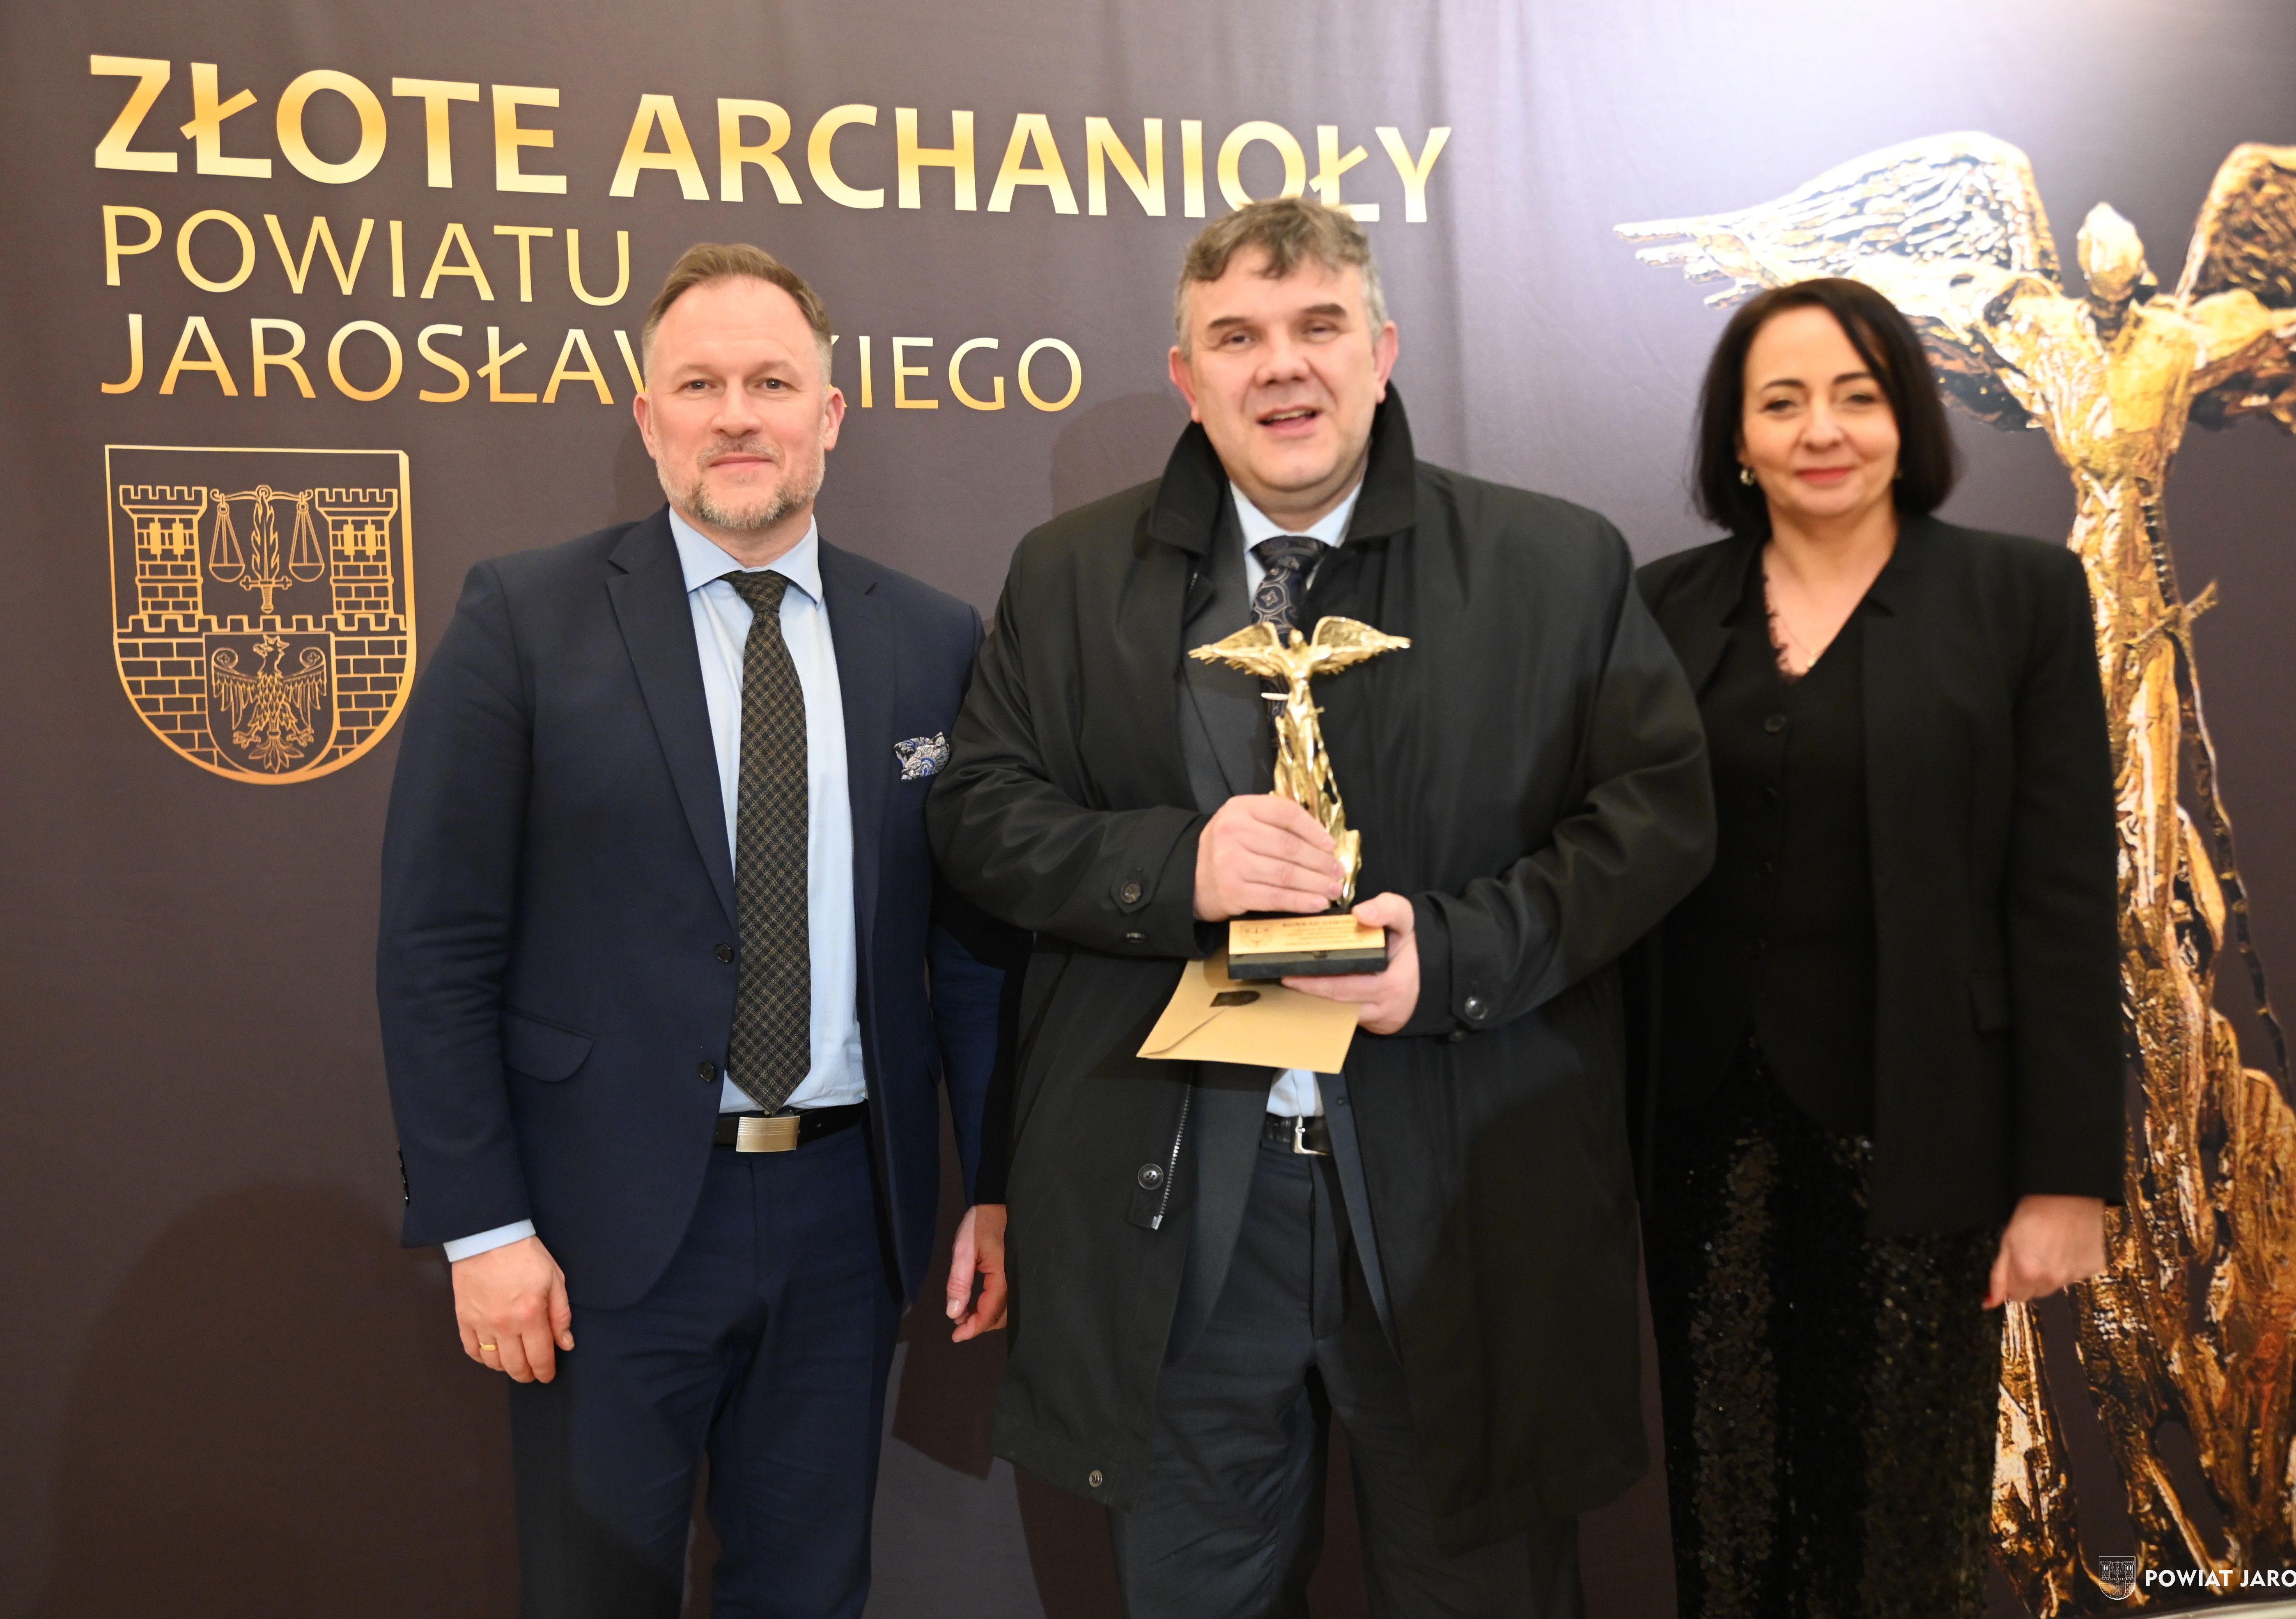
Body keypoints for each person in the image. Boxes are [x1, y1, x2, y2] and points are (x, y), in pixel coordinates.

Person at [927, 197, 1714, 1617]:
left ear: (1381, 351)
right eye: (1235, 337)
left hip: (1464, 1203)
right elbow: (980, 814)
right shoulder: (1068, 575)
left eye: (1317, 327)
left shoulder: (1553, 563)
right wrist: (1176, 868)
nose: (1280, 365)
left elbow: (1655, 821)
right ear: (1187, 376)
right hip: (1181, 1214)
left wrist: (1454, 957)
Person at [377, 242, 1014, 1619]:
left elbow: (969, 952)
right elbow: (437, 947)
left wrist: (997, 1181)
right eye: (700, 384)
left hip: (850, 1219)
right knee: (593, 1592)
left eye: (771, 383)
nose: (737, 416)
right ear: (647, 413)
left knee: (811, 1593)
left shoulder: (930, 638)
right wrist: (480, 1226)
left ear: (828, 416)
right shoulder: (522, 618)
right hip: (598, 1231)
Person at [1632, 276, 2124, 1618]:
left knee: (1900, 1533)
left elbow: (2062, 899)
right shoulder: (1660, 608)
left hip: (1924, 1133)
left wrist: (2065, 1178)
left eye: (1855, 396)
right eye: (1781, 402)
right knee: (1729, 1515)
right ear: (1736, 439)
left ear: (1905, 416)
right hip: (1702, 1139)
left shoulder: (2016, 596)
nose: (1821, 430)